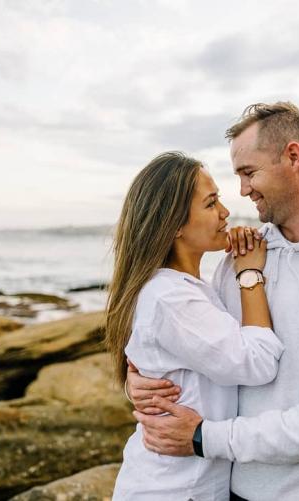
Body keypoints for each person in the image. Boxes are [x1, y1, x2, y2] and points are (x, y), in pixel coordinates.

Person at [126, 102, 299, 501]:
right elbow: (206, 357)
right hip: (235, 492)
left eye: (248, 172)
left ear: (293, 157)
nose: (242, 190)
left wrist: (206, 437)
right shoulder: (241, 260)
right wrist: (144, 383)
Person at [107, 151, 285, 501]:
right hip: (171, 491)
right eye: (210, 203)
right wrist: (251, 274)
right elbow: (259, 362)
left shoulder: (186, 288)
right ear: (174, 225)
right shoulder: (170, 297)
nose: (225, 212)